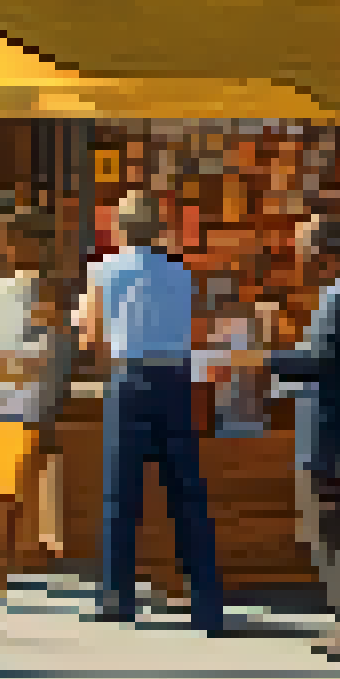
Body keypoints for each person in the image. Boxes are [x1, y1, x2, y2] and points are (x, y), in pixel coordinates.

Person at [77, 189, 226, 634]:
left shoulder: (104, 271)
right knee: (188, 494)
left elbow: (90, 336)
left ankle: (118, 598)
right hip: (178, 381)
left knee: (121, 495)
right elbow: (195, 328)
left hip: (132, 379)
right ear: (160, 229)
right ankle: (207, 602)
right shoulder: (182, 273)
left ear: (119, 229)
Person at [265, 214, 340, 660]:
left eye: (304, 251)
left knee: (337, 536)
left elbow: (323, 361)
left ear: (327, 254)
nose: (299, 261)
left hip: (335, 441)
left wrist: (265, 358)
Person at [0, 210, 76, 598]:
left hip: (24, 400)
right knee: (17, 487)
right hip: (28, 400)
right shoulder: (26, 289)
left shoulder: (29, 289)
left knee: (15, 487)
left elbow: (47, 342)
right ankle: (3, 565)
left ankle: (4, 566)